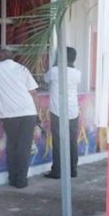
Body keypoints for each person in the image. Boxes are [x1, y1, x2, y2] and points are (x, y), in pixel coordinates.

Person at [0, 48, 39, 188]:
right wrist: (37, 114)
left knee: (12, 146)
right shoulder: (22, 69)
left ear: (0, 56)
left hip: (9, 114)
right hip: (28, 111)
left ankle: (13, 178)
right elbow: (33, 93)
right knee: (24, 147)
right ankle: (21, 180)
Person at [43, 47, 81, 179]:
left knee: (58, 141)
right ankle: (73, 169)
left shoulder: (54, 71)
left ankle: (57, 170)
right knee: (72, 141)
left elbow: (45, 79)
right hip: (73, 111)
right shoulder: (77, 73)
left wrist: (55, 64)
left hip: (57, 110)